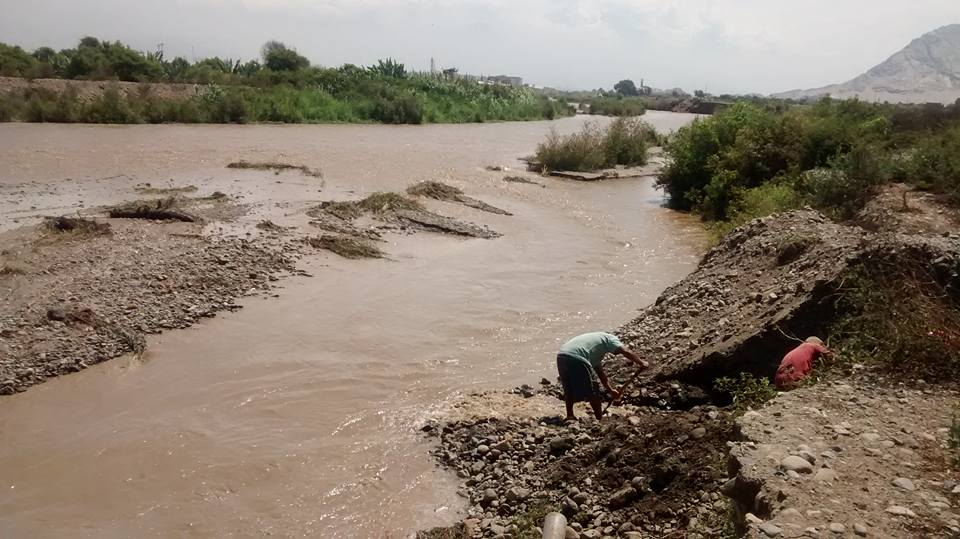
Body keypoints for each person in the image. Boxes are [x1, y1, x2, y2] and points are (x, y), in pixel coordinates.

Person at [556, 331, 648, 421]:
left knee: (568, 387)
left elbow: (601, 374)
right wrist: (641, 362)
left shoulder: (595, 353)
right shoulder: (610, 339)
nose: (616, 353)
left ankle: (570, 416)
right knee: (593, 390)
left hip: (561, 355)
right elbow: (625, 351)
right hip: (576, 356)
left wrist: (610, 390)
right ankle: (599, 419)